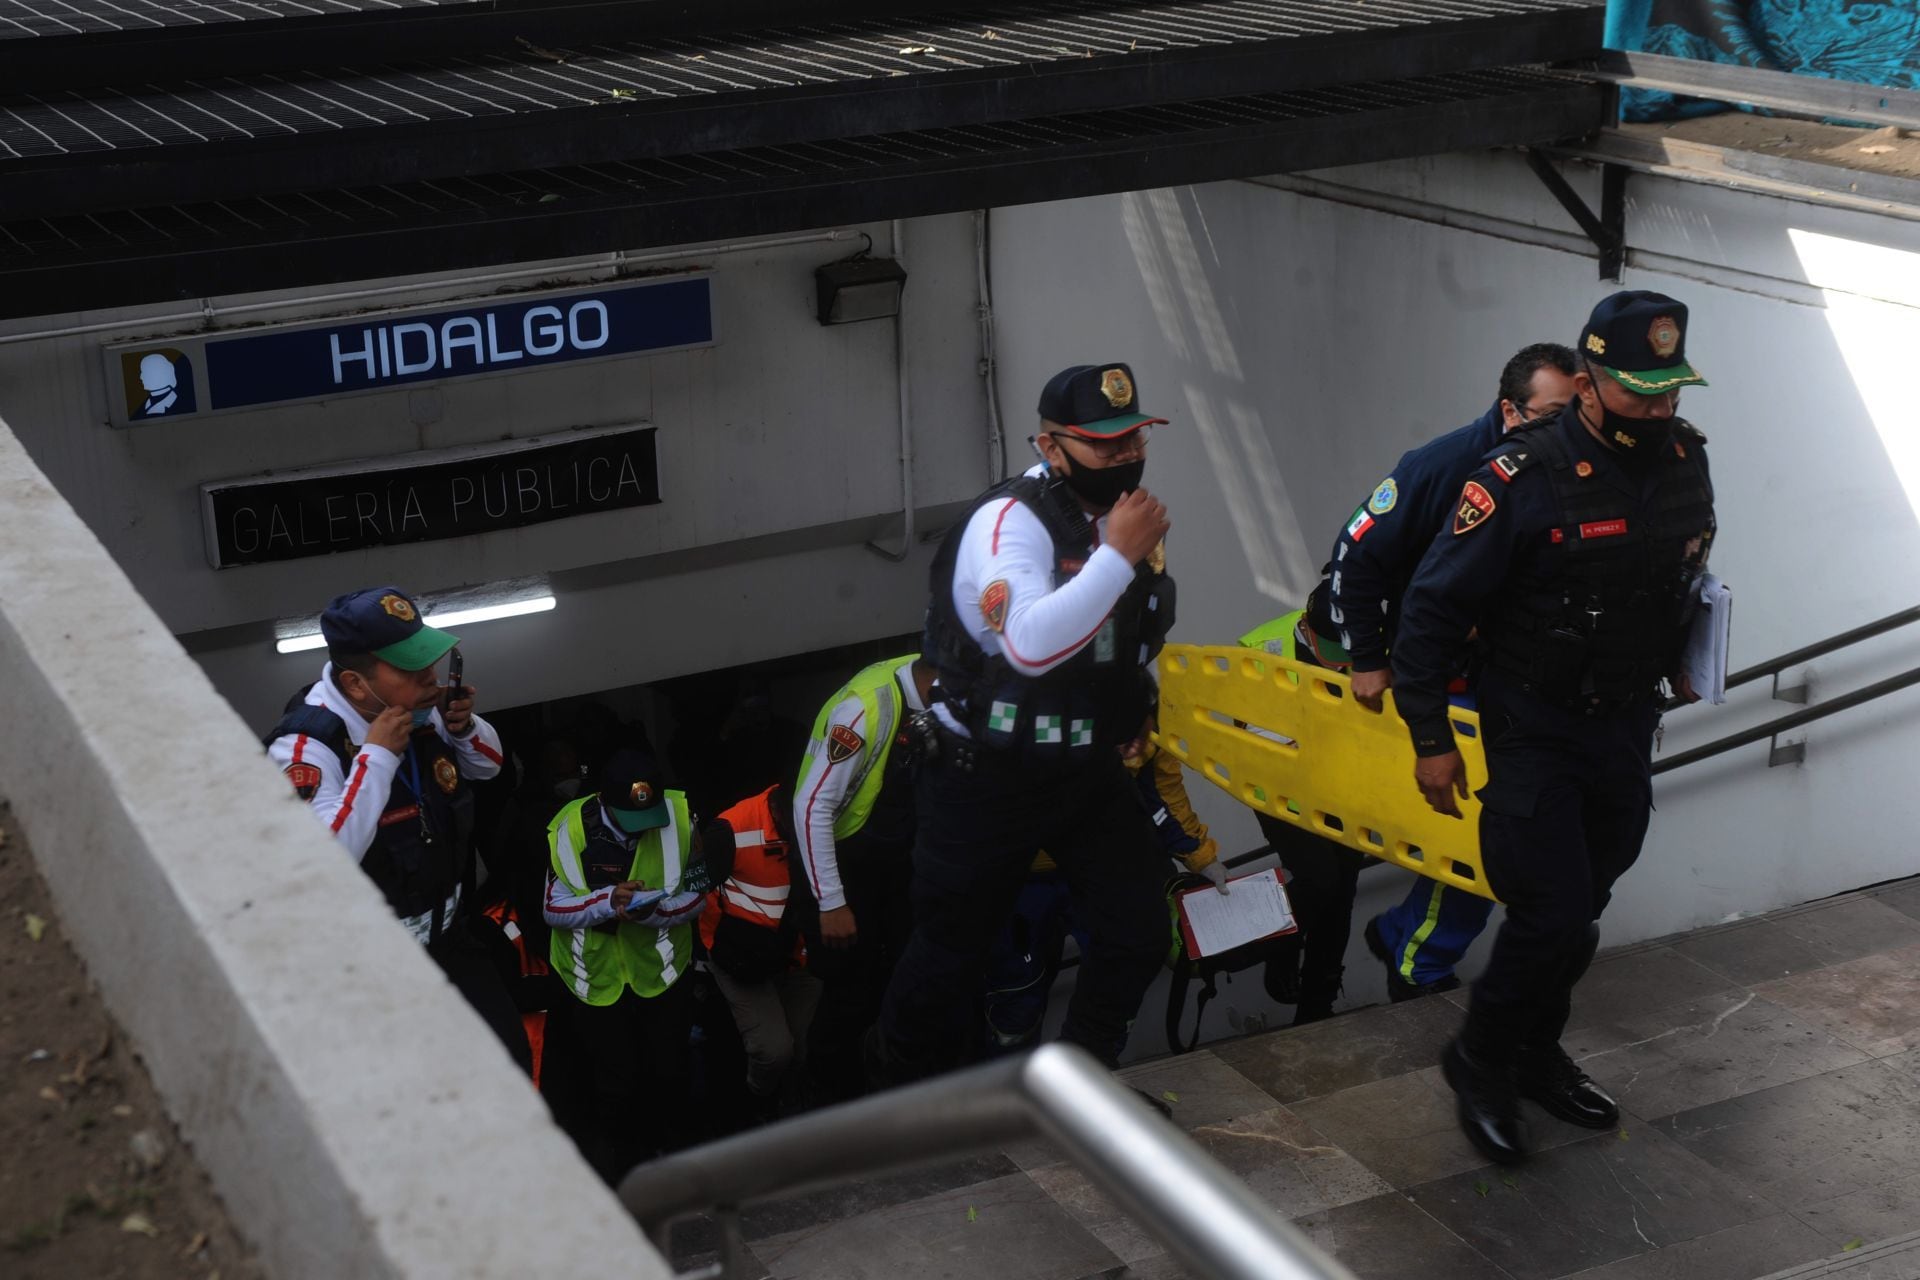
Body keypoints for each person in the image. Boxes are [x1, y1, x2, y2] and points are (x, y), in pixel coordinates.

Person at [1391, 292, 1715, 1164]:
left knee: (1586, 906)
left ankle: (1535, 1050)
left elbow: (1683, 572)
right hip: (1533, 724)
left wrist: (1688, 653)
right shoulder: (1518, 477)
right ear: (1586, 383)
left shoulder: (1685, 457)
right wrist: (1430, 739)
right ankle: (1481, 1059)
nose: (1657, 410)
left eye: (1669, 392)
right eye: (1639, 392)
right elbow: (1431, 609)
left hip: (1625, 722)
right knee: (1552, 910)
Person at [874, 361, 1177, 1084]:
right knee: (950, 958)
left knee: (1139, 932)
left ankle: (1081, 1088)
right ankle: (898, 1105)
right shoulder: (1008, 524)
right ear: (1050, 447)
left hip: (1081, 769)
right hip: (984, 776)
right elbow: (1032, 645)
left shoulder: (1117, 519)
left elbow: (1116, 635)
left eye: (1133, 439)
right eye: (1103, 444)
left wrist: (1133, 704)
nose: (1125, 455)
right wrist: (1118, 555)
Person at [1306, 344, 1578, 1002]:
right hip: (1426, 674)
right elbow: (1354, 553)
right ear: (1510, 411)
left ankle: (1406, 936)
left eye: (1579, 413)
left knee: (1511, 824)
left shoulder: (1571, 470)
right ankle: (1416, 957)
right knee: (1475, 823)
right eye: (1553, 415)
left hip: (1506, 673)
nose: (1569, 430)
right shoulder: (1442, 466)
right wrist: (1368, 657)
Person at [265, 586, 530, 1074]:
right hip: (371, 965)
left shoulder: (422, 710)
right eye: (411, 670)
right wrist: (377, 756)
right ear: (356, 684)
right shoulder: (305, 747)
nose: (430, 678)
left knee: (508, 1063)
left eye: (429, 661)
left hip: (450, 939)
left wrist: (464, 726)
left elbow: (490, 767)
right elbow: (323, 859)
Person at [543, 749, 709, 1182]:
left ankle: (675, 1165)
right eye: (629, 820)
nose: (642, 830)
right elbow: (553, 909)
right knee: (615, 1084)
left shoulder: (682, 818)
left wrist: (655, 912)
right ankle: (625, 1174)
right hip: (595, 977)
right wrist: (607, 902)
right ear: (603, 800)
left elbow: (698, 895)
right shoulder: (569, 829)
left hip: (662, 971)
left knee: (668, 1073)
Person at [788, 653, 934, 1104]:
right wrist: (831, 902)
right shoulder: (866, 707)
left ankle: (896, 1095)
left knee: (910, 982)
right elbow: (810, 807)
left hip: (897, 864)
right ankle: (825, 1105)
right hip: (840, 869)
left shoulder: (949, 688)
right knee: (850, 995)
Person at [698, 783, 821, 1120]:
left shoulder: (820, 815)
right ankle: (757, 1105)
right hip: (741, 956)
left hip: (797, 952)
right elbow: (695, 894)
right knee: (775, 1051)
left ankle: (794, 1104)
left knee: (807, 1044)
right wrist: (725, 950)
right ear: (779, 809)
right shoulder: (730, 829)